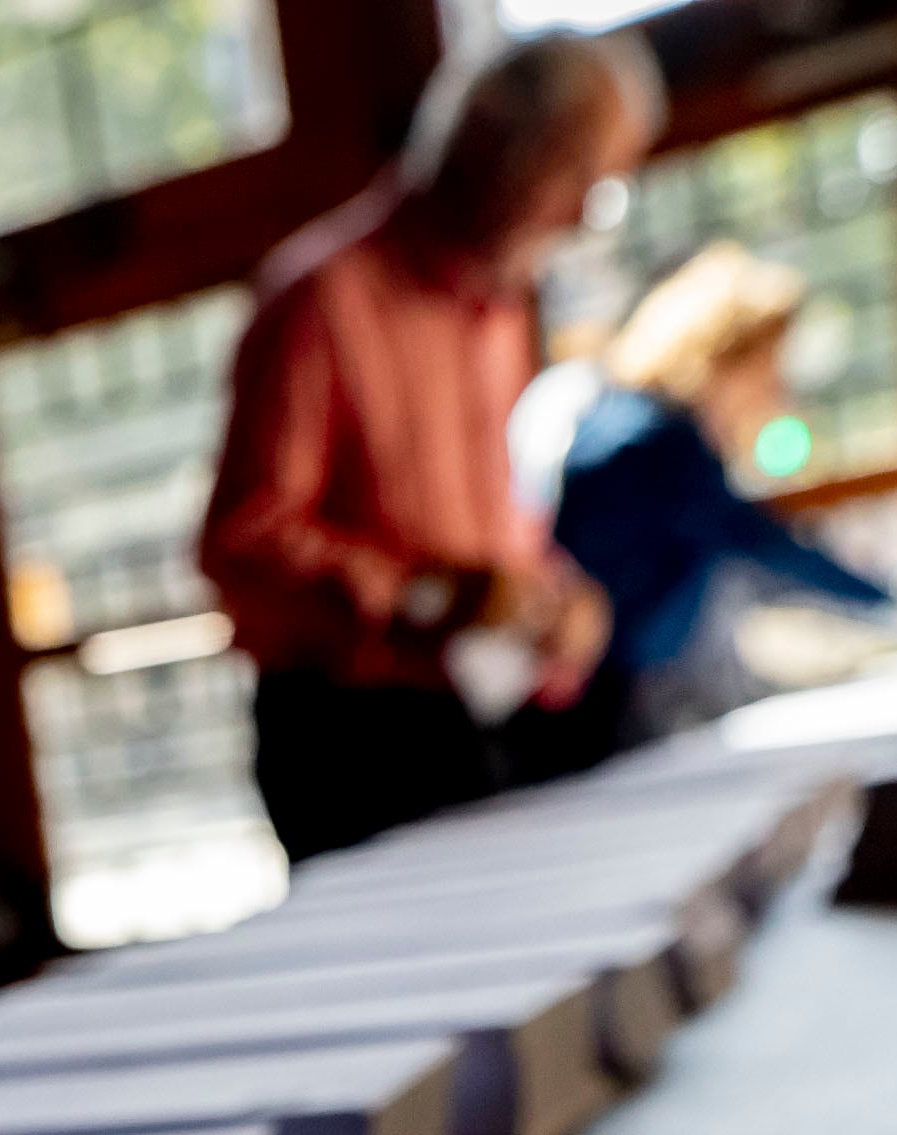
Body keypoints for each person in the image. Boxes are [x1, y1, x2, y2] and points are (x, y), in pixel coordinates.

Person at [200, 33, 663, 862]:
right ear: (485, 135)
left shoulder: (506, 313)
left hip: (476, 710)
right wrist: (430, 596)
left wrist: (553, 598)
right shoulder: (321, 300)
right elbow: (245, 541)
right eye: (571, 171)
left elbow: (495, 528)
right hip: (353, 738)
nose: (577, 214)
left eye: (600, 189)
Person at [553, 242, 897, 737]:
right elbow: (760, 544)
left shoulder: (632, 420)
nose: (777, 393)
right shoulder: (654, 441)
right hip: (613, 707)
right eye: (768, 372)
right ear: (719, 357)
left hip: (631, 690)